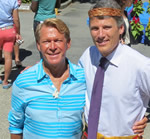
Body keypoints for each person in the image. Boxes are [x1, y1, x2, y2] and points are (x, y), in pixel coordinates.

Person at [78, 0, 150, 138]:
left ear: (121, 28)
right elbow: (69, 78)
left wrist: (147, 117)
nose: (100, 35)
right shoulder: (88, 56)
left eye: (107, 27)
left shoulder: (140, 65)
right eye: (94, 28)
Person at [8, 18, 86, 139]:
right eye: (46, 41)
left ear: (68, 43)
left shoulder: (83, 79)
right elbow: (15, 126)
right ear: (38, 45)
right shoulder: (24, 81)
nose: (52, 46)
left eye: (58, 40)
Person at [0, 0, 21, 89]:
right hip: (9, 30)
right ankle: (5, 82)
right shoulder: (13, 1)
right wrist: (18, 32)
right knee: (8, 57)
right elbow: (15, 19)